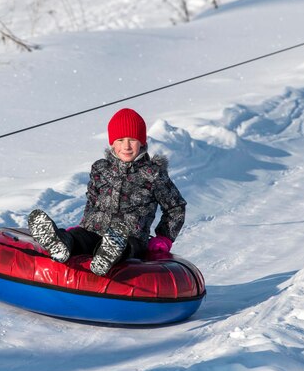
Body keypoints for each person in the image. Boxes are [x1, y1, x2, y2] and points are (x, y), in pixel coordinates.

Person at [28, 108, 186, 276]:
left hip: (131, 236)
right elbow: (92, 200)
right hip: (95, 229)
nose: (126, 146)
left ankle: (107, 255)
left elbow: (175, 207)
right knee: (78, 237)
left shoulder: (153, 174)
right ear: (112, 143)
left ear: (141, 141)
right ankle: (60, 243)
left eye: (132, 139)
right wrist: (84, 224)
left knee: (125, 245)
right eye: (120, 140)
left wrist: (164, 237)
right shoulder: (101, 169)